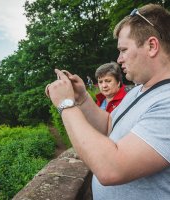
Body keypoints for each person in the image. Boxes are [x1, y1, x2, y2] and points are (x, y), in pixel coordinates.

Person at [45, 4, 170, 200]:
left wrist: (66, 105)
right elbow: (110, 125)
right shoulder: (138, 90)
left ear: (152, 46)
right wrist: (82, 98)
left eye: (123, 50)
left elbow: (112, 168)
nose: (119, 59)